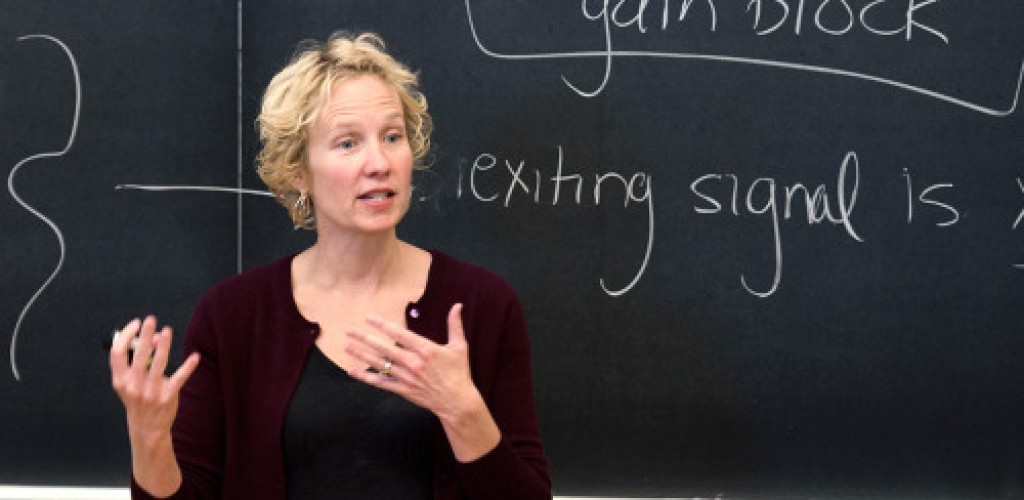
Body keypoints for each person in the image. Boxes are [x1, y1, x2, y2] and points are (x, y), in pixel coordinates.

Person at [109, 31, 552, 499]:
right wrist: (149, 438)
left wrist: (463, 411)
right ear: (299, 172)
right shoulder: (234, 316)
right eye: (347, 144)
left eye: (393, 137)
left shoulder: (480, 305)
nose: (379, 162)